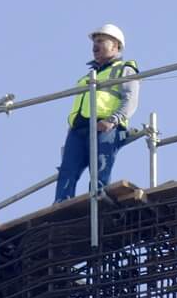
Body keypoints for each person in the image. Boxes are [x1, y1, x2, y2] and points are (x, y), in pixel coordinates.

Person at [55, 24, 141, 202]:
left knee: (100, 166)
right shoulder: (89, 76)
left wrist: (112, 121)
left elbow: (130, 100)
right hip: (79, 130)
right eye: (94, 42)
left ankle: (97, 199)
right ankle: (61, 203)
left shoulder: (123, 69)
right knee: (67, 170)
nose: (95, 46)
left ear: (116, 45)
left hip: (105, 126)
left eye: (101, 41)